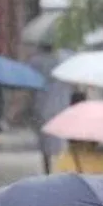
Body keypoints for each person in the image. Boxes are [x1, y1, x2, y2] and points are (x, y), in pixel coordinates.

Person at [26, 42, 72, 174]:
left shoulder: (35, 62)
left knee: (45, 146)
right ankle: (61, 170)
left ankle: (48, 171)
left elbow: (30, 85)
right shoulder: (65, 60)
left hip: (42, 106)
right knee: (60, 143)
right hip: (61, 106)